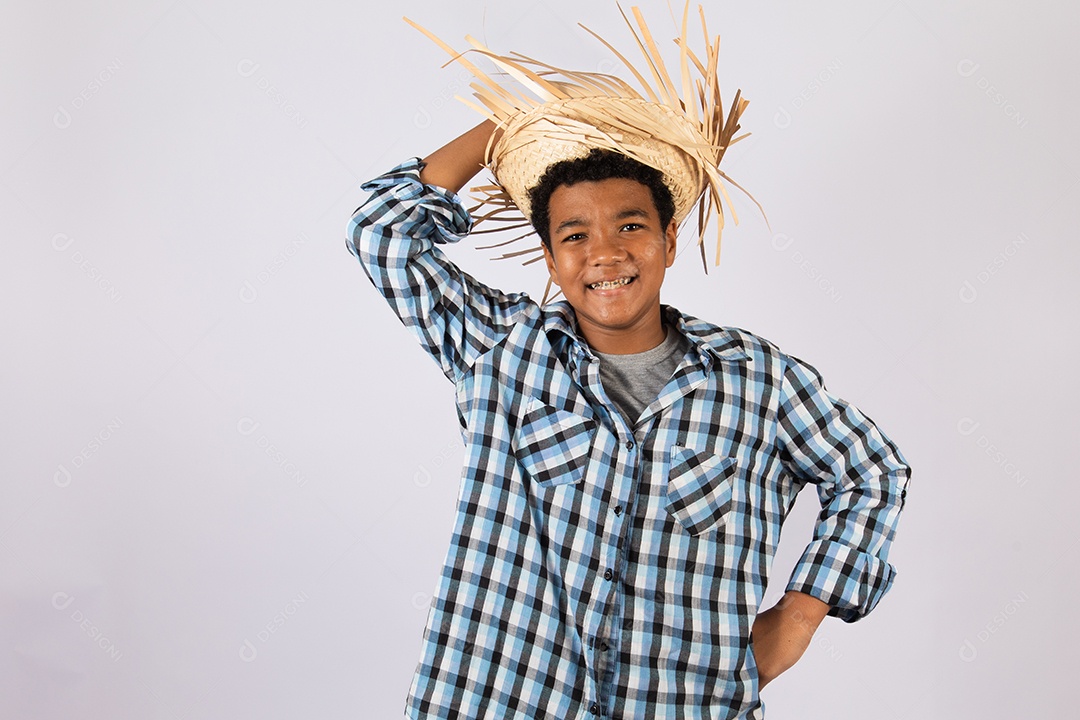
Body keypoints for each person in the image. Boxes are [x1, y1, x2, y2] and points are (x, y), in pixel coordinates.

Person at [346, 11, 910, 719]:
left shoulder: (761, 383)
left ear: (669, 242)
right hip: (496, 698)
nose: (605, 253)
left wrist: (798, 616)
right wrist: (510, 126)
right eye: (575, 235)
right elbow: (380, 234)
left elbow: (872, 471)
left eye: (631, 226)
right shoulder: (499, 347)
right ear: (550, 260)